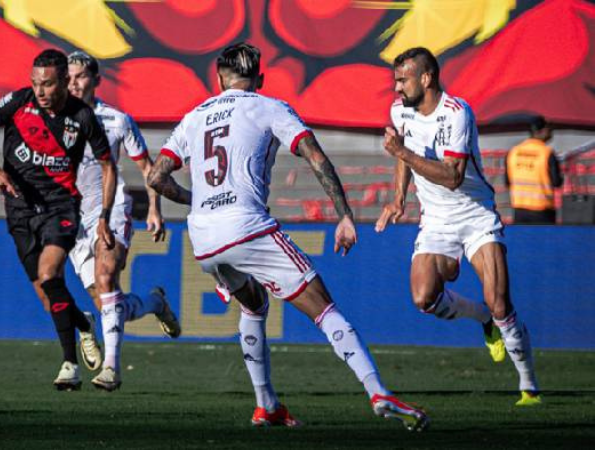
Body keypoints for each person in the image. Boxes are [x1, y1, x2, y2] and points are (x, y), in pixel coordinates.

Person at [148, 42, 429, 431]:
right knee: (324, 307)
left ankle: (267, 406)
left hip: (203, 235)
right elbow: (315, 156)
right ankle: (377, 391)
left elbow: (156, 176)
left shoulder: (195, 116)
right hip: (246, 225)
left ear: (218, 79)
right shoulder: (269, 106)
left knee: (253, 305)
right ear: (259, 79)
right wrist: (345, 215)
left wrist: (196, 202)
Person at [375, 47, 540, 406]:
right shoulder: (399, 111)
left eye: (403, 80)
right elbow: (404, 155)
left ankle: (529, 386)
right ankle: (480, 317)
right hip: (436, 220)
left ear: (426, 78)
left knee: (500, 303)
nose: (397, 88)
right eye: (395, 81)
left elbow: (452, 177)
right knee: (424, 298)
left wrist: (401, 153)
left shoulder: (457, 113)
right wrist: (398, 199)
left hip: (475, 215)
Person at [0, 49, 114, 391]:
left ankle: (69, 365)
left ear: (64, 81)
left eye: (48, 84)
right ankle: (83, 324)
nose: (41, 92)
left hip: (61, 207)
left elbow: (108, 165)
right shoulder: (18, 102)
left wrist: (104, 215)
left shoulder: (82, 116)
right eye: (36, 84)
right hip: (19, 208)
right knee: (48, 296)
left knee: (50, 274)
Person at [65, 51, 181, 391]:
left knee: (105, 276)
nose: (74, 82)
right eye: (69, 76)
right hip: (73, 217)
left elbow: (149, 171)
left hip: (111, 207)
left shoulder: (117, 120)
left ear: (96, 80)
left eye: (81, 76)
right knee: (108, 304)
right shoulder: (53, 119)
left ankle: (111, 370)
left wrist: (155, 209)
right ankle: (155, 302)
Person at [506, 116, 563, 224]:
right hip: (542, 210)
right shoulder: (547, 153)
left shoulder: (514, 151)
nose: (551, 132)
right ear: (542, 130)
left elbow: (508, 181)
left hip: (519, 210)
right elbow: (556, 182)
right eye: (549, 129)